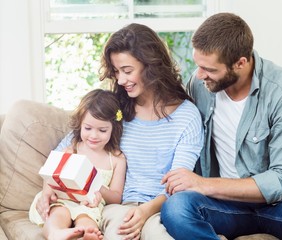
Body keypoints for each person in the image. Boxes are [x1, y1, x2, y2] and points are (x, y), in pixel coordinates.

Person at [161, 12, 282, 239]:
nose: (199, 75)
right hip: (227, 205)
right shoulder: (201, 86)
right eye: (198, 65)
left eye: (210, 69)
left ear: (241, 63)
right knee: (176, 209)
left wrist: (204, 184)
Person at [35, 23, 204, 240]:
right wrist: (47, 189)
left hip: (160, 209)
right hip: (118, 208)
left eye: (127, 71)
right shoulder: (114, 109)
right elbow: (64, 152)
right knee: (119, 234)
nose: (120, 80)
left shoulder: (186, 116)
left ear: (151, 66)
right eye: (116, 71)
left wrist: (145, 211)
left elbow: (179, 184)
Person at [29, 89, 127, 240]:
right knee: (58, 214)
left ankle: (86, 234)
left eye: (102, 130)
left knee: (87, 221)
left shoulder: (117, 159)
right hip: (64, 201)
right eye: (88, 128)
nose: (93, 135)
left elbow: (116, 198)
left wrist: (95, 185)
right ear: (80, 124)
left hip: (90, 206)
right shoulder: (72, 149)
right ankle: (56, 233)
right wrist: (47, 193)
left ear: (114, 128)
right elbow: (51, 175)